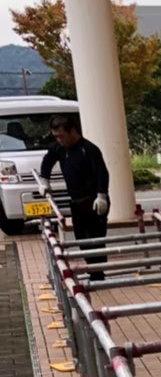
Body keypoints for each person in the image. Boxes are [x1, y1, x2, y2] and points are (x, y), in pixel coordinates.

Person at [40, 115, 110, 279]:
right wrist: (45, 181)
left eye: (61, 136)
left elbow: (102, 173)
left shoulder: (89, 149)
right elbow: (47, 161)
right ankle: (94, 271)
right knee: (81, 239)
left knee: (95, 239)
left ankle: (98, 274)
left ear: (72, 131)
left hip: (93, 201)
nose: (59, 140)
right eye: (56, 137)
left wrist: (102, 195)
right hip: (76, 202)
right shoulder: (59, 148)